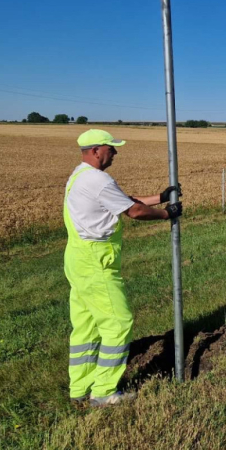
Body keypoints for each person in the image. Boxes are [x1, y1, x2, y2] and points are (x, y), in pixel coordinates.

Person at [64, 129, 183, 407]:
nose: (115, 152)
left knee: (86, 327)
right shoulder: (98, 179)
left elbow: (123, 199)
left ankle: (80, 387)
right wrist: (167, 213)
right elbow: (134, 211)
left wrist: (160, 196)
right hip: (97, 262)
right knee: (118, 322)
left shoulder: (79, 175)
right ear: (96, 150)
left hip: (78, 260)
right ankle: (104, 391)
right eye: (111, 148)